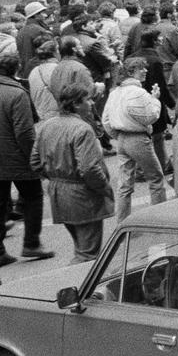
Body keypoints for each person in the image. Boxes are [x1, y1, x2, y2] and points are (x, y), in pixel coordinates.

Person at [0, 51, 52, 263]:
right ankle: (31, 243)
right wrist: (34, 157)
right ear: (17, 68)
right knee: (33, 197)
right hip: (16, 156)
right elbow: (24, 131)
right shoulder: (17, 94)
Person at [29, 84, 113, 262]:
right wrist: (104, 187)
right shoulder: (82, 129)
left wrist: (54, 175)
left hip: (59, 193)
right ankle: (75, 287)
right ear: (76, 104)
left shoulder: (47, 126)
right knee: (87, 255)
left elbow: (35, 162)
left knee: (81, 248)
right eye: (88, 99)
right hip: (82, 196)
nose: (91, 103)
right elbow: (89, 168)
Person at [101, 57, 167, 218]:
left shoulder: (115, 93)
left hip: (122, 139)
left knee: (124, 184)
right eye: (141, 69)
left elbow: (106, 120)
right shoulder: (138, 93)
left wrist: (117, 135)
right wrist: (155, 100)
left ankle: (122, 220)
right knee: (156, 179)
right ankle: (160, 219)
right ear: (131, 72)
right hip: (138, 139)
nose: (145, 71)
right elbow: (150, 116)